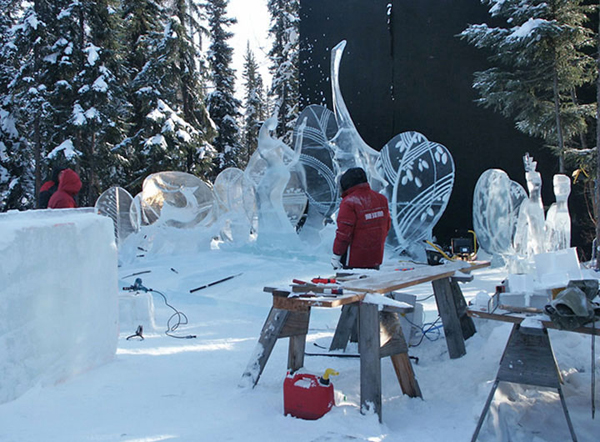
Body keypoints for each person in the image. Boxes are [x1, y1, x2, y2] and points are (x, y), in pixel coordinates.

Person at [331, 167, 391, 270]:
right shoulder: (381, 199)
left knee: (350, 286)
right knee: (372, 285)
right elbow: (387, 226)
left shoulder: (349, 202)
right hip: (375, 258)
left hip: (353, 261)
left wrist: (336, 255)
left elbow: (344, 234)